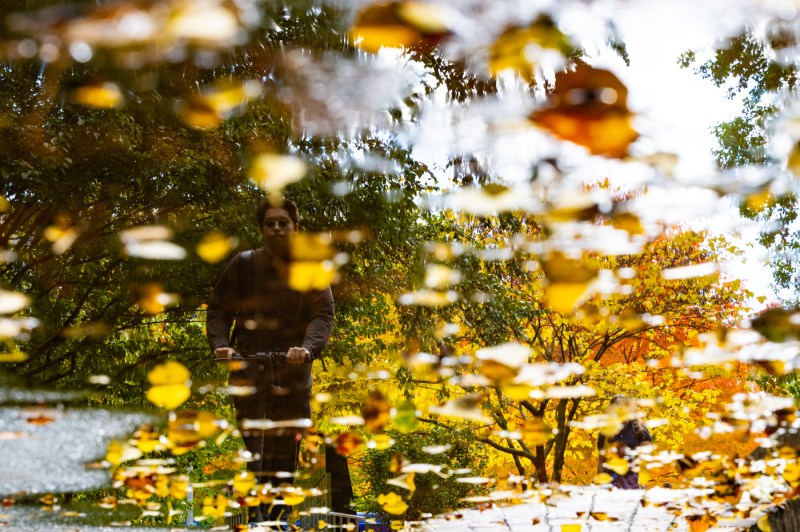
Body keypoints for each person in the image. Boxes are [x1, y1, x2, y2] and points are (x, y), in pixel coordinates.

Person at [206, 198, 335, 523]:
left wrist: (306, 348)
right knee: (255, 444)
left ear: (295, 227)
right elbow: (219, 309)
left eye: (283, 222)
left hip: (292, 369)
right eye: (270, 223)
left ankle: (278, 514)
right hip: (249, 365)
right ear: (262, 229)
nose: (277, 227)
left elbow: (323, 312)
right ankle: (256, 513)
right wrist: (221, 346)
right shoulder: (243, 265)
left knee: (284, 445)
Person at [597, 394, 651, 489]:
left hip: (632, 479)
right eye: (617, 404)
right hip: (611, 480)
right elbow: (601, 460)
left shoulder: (640, 430)